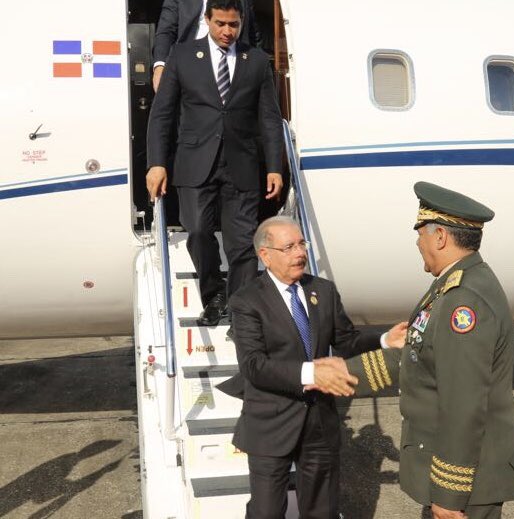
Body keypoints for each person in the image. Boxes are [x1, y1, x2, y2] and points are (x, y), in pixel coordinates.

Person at [316, 182, 514, 519]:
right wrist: (346, 373)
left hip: (467, 485)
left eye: (420, 234)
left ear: (440, 237)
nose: (418, 243)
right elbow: (415, 354)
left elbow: (464, 402)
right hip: (461, 476)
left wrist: (448, 494)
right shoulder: (451, 286)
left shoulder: (464, 301)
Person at [219, 216, 407, 519]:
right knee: (266, 512)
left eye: (302, 244)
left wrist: (385, 339)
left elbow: (346, 341)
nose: (300, 253)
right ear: (265, 255)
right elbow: (254, 366)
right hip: (270, 422)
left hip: (319, 421)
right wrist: (311, 372)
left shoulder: (324, 291)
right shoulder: (247, 301)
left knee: (322, 511)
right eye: (289, 247)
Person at [146, 0, 284, 328]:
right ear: (207, 20)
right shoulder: (182, 57)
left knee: (242, 245)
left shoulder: (256, 61)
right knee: (197, 231)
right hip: (195, 162)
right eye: (220, 23)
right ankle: (214, 293)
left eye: (233, 25)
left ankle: (240, 314)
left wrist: (275, 166)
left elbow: (269, 117)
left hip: (242, 164)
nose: (227, 31)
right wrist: (157, 163)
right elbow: (162, 114)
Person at [152, 0, 259, 92]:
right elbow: (166, 31)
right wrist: (160, 67)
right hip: (191, 64)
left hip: (233, 65)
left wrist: (257, 67)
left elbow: (253, 32)